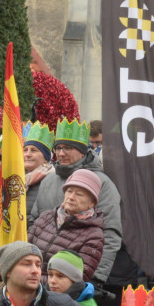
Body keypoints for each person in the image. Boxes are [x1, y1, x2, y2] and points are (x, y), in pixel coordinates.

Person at [30, 118, 123, 284]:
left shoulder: (103, 184)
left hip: (74, 280)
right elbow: (33, 222)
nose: (61, 153)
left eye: (68, 148)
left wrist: (94, 279)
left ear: (82, 151)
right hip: (39, 277)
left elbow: (110, 235)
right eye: (58, 148)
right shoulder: (48, 181)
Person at [29, 168, 104, 282]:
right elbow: (25, 250)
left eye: (79, 194)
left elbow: (78, 277)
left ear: (91, 203)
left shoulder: (94, 235)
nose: (71, 197)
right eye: (69, 191)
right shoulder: (46, 217)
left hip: (56, 295)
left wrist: (32, 280)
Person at [22, 122, 54, 216]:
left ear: (45, 158)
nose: (27, 154)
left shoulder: (50, 180)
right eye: (25, 150)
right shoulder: (17, 177)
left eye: (34, 150)